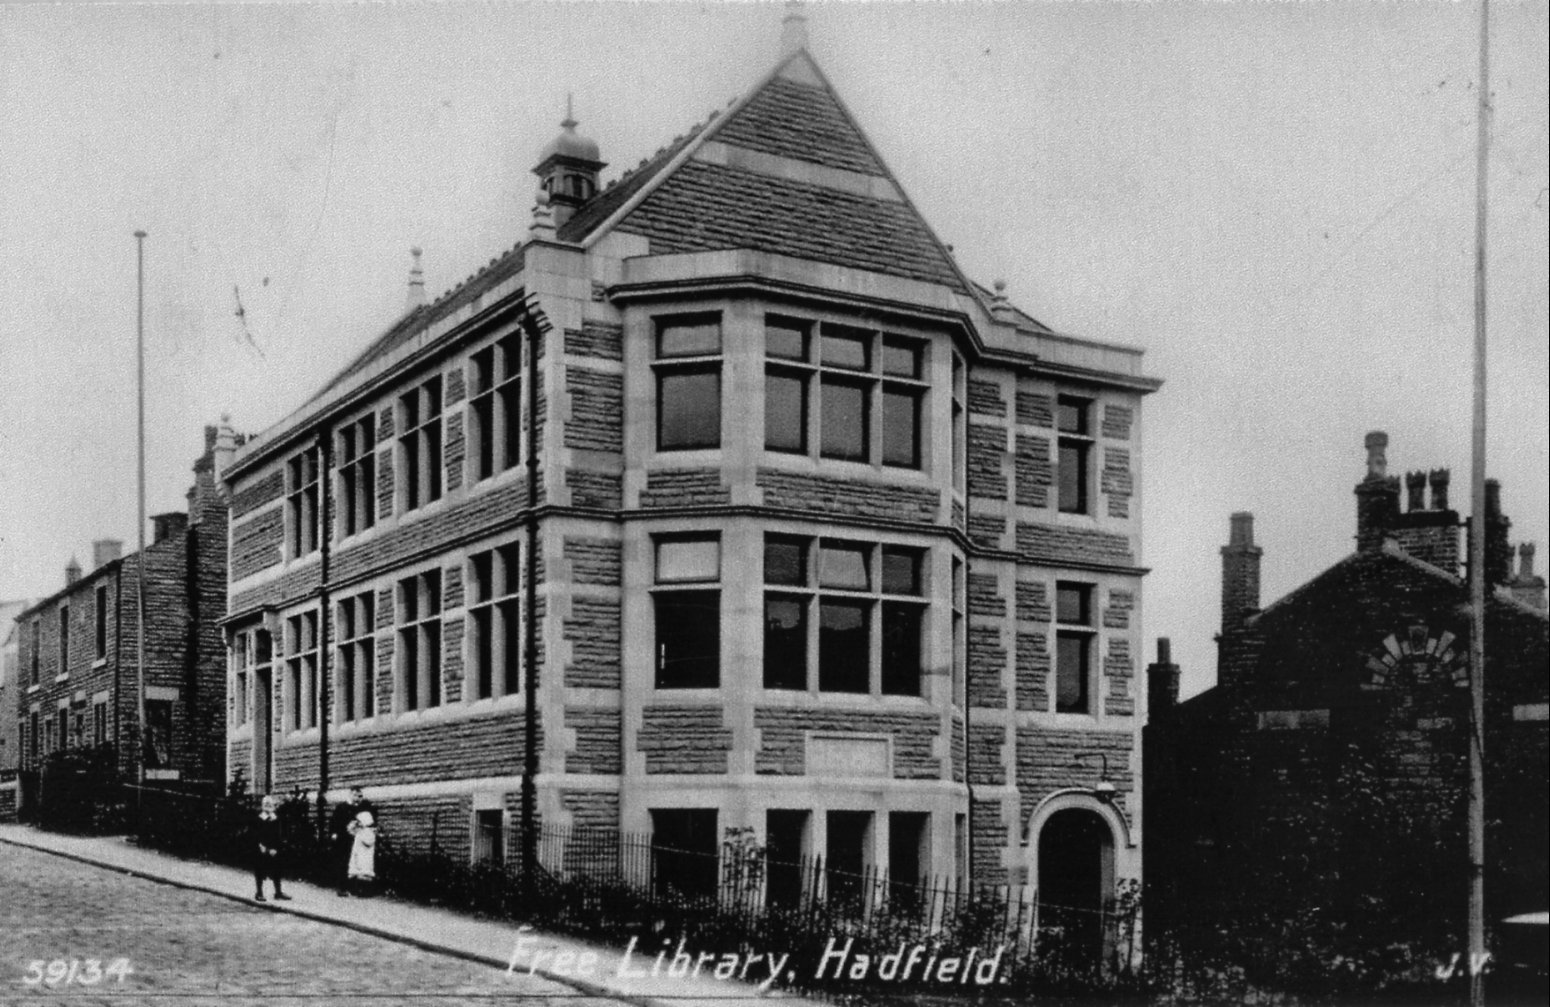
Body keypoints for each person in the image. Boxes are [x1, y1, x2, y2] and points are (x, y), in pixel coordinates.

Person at [328, 787, 375, 896]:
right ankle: (342, 888)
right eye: (355, 795)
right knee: (344, 863)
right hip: (344, 839)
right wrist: (334, 833)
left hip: (358, 839)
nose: (358, 799)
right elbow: (334, 822)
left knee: (357, 863)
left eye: (360, 796)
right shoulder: (342, 807)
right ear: (350, 795)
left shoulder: (362, 808)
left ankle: (355, 888)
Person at [252, 795, 291, 902]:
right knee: (260, 870)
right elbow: (255, 834)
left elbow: (278, 835)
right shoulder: (259, 818)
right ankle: (259, 892)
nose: (268, 806)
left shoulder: (276, 818)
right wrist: (261, 845)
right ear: (263, 806)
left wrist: (276, 848)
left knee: (277, 870)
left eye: (270, 804)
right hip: (262, 848)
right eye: (266, 804)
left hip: (274, 849)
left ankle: (278, 892)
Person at [346, 808, 377, 896]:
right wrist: (353, 826)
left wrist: (361, 834)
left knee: (365, 873)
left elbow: (369, 841)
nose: (358, 823)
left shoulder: (368, 832)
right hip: (358, 855)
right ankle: (357, 890)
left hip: (365, 856)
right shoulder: (360, 831)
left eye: (359, 821)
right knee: (357, 872)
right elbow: (350, 831)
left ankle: (366, 891)